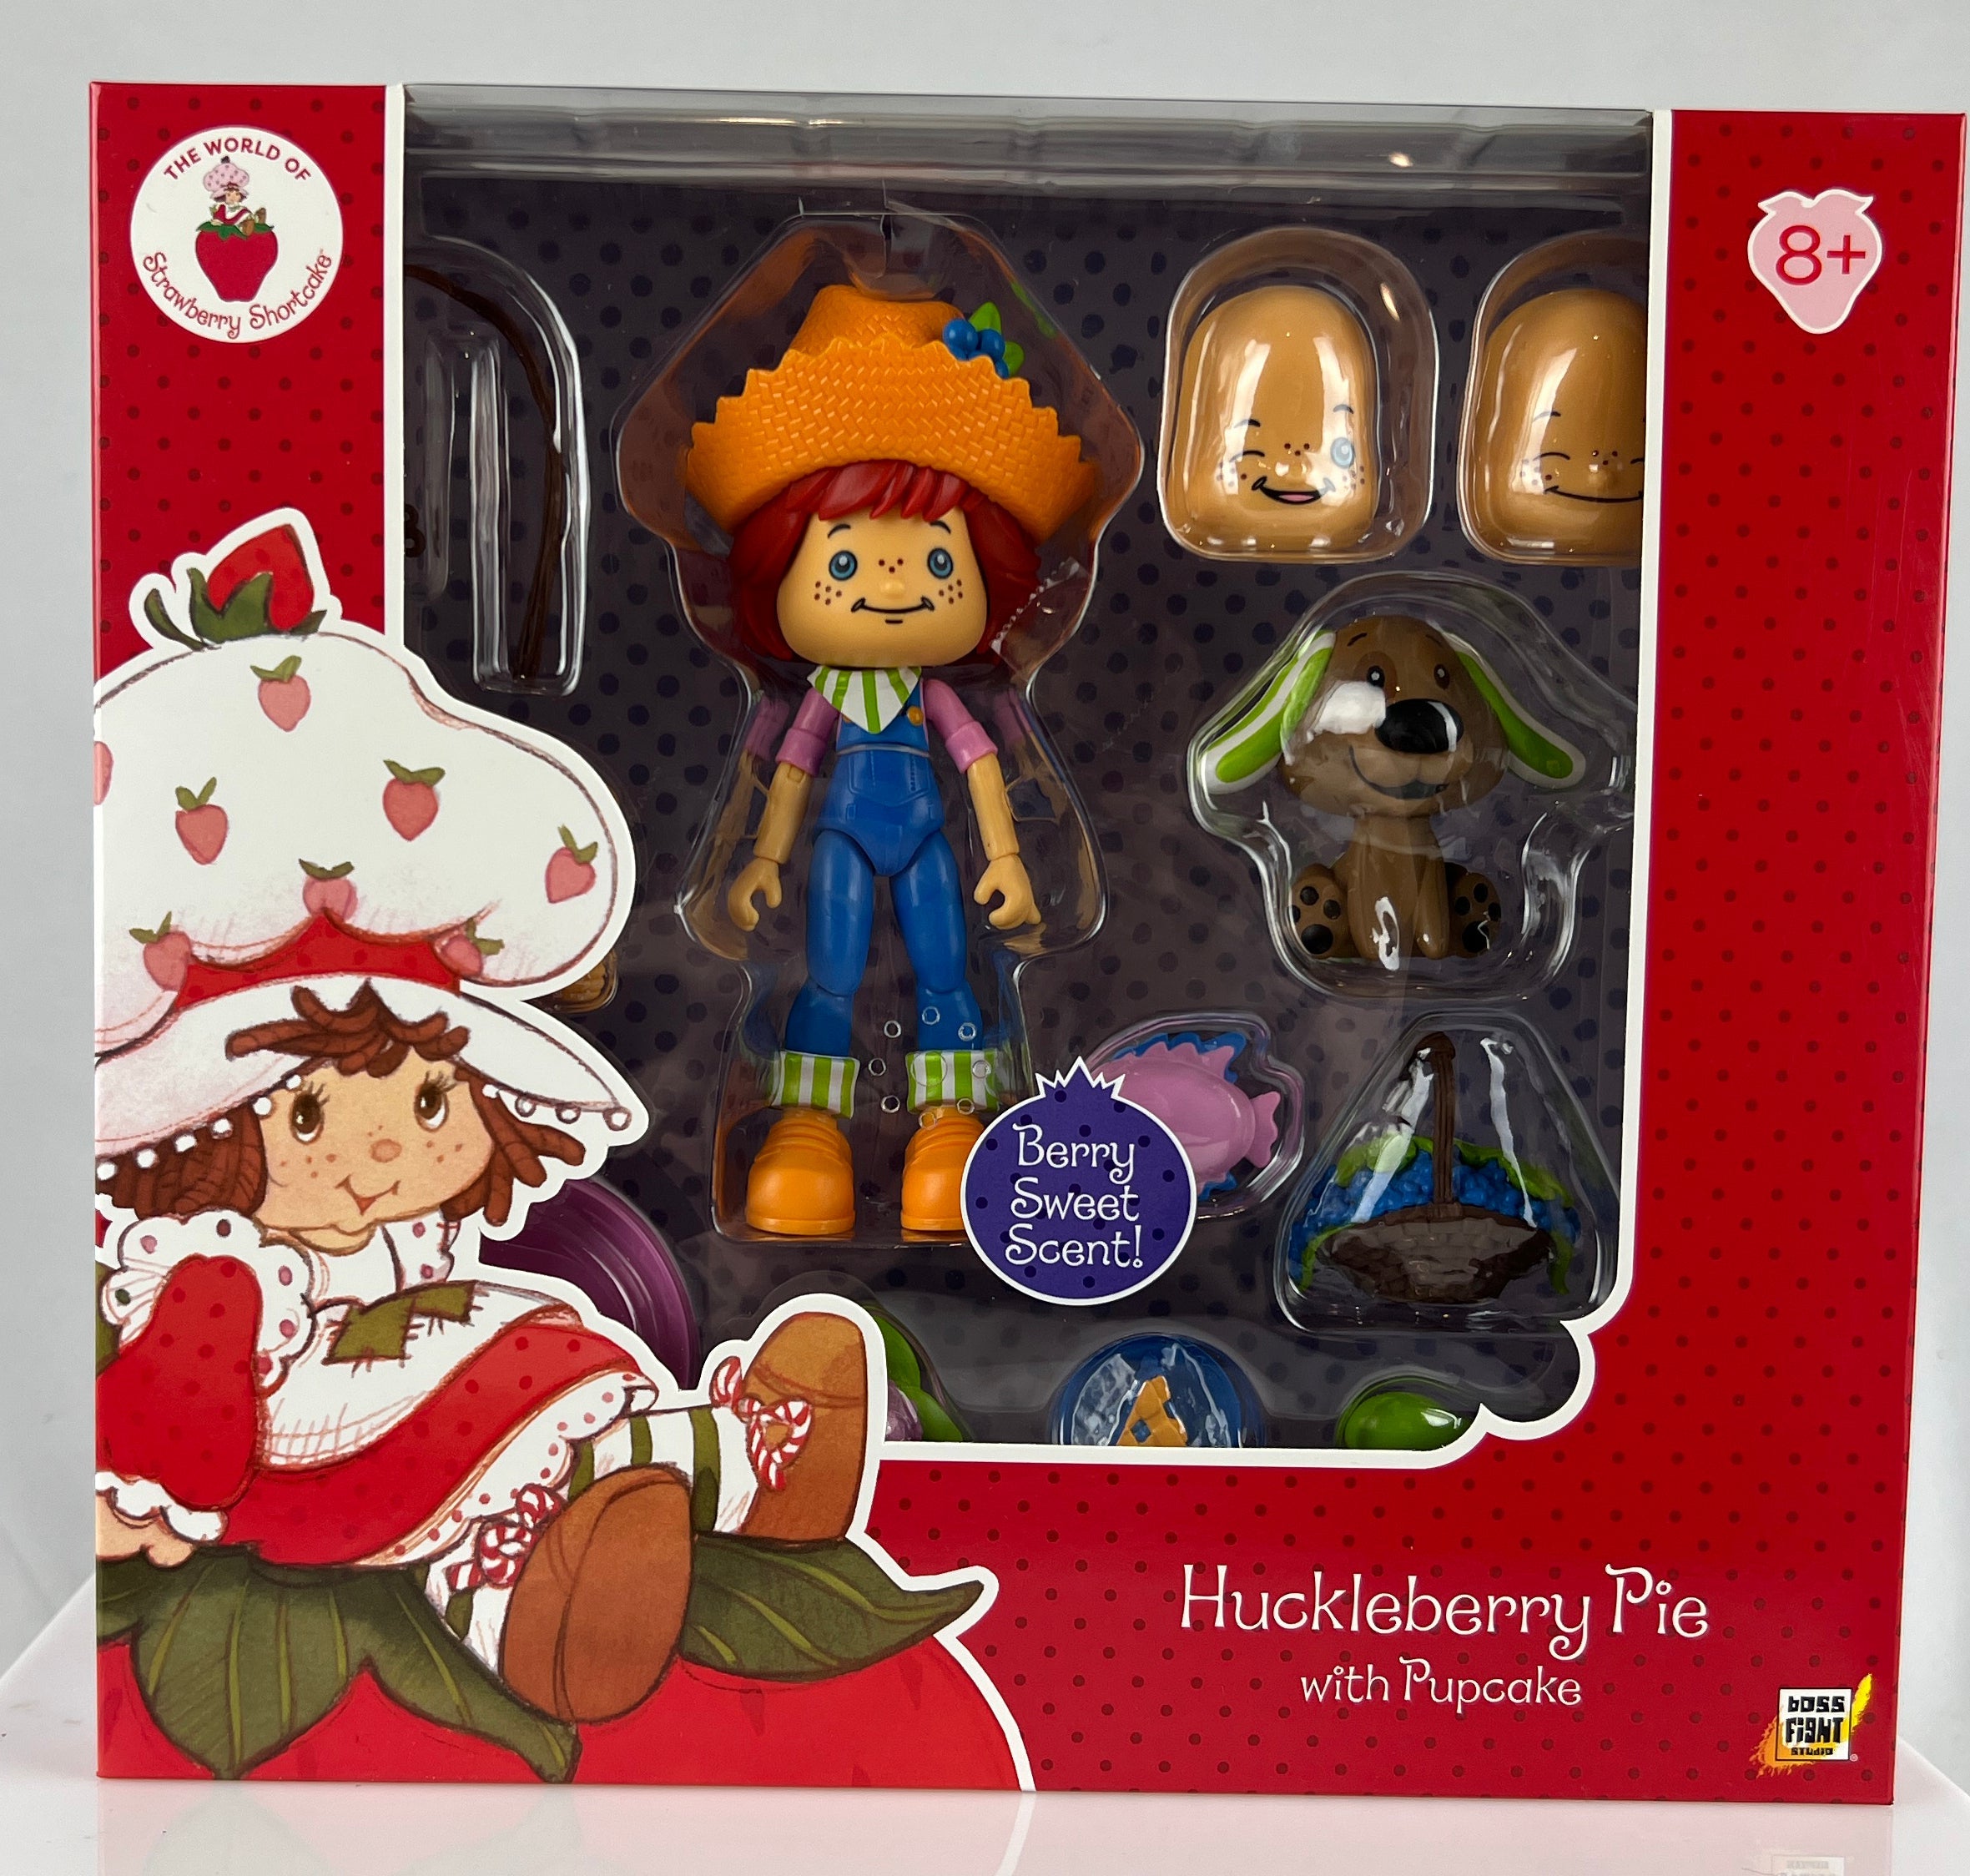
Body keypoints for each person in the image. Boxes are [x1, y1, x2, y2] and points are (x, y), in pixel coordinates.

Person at [687, 285, 1096, 1236]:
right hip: (838, 842)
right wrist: (760, 859)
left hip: (926, 845)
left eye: (939, 561)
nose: (894, 581)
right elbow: (792, 773)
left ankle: (951, 1119)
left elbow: (982, 766)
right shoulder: (824, 698)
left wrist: (1007, 859)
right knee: (830, 971)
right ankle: (809, 1123)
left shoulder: (936, 695)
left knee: (947, 966)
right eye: (842, 562)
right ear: (775, 570)